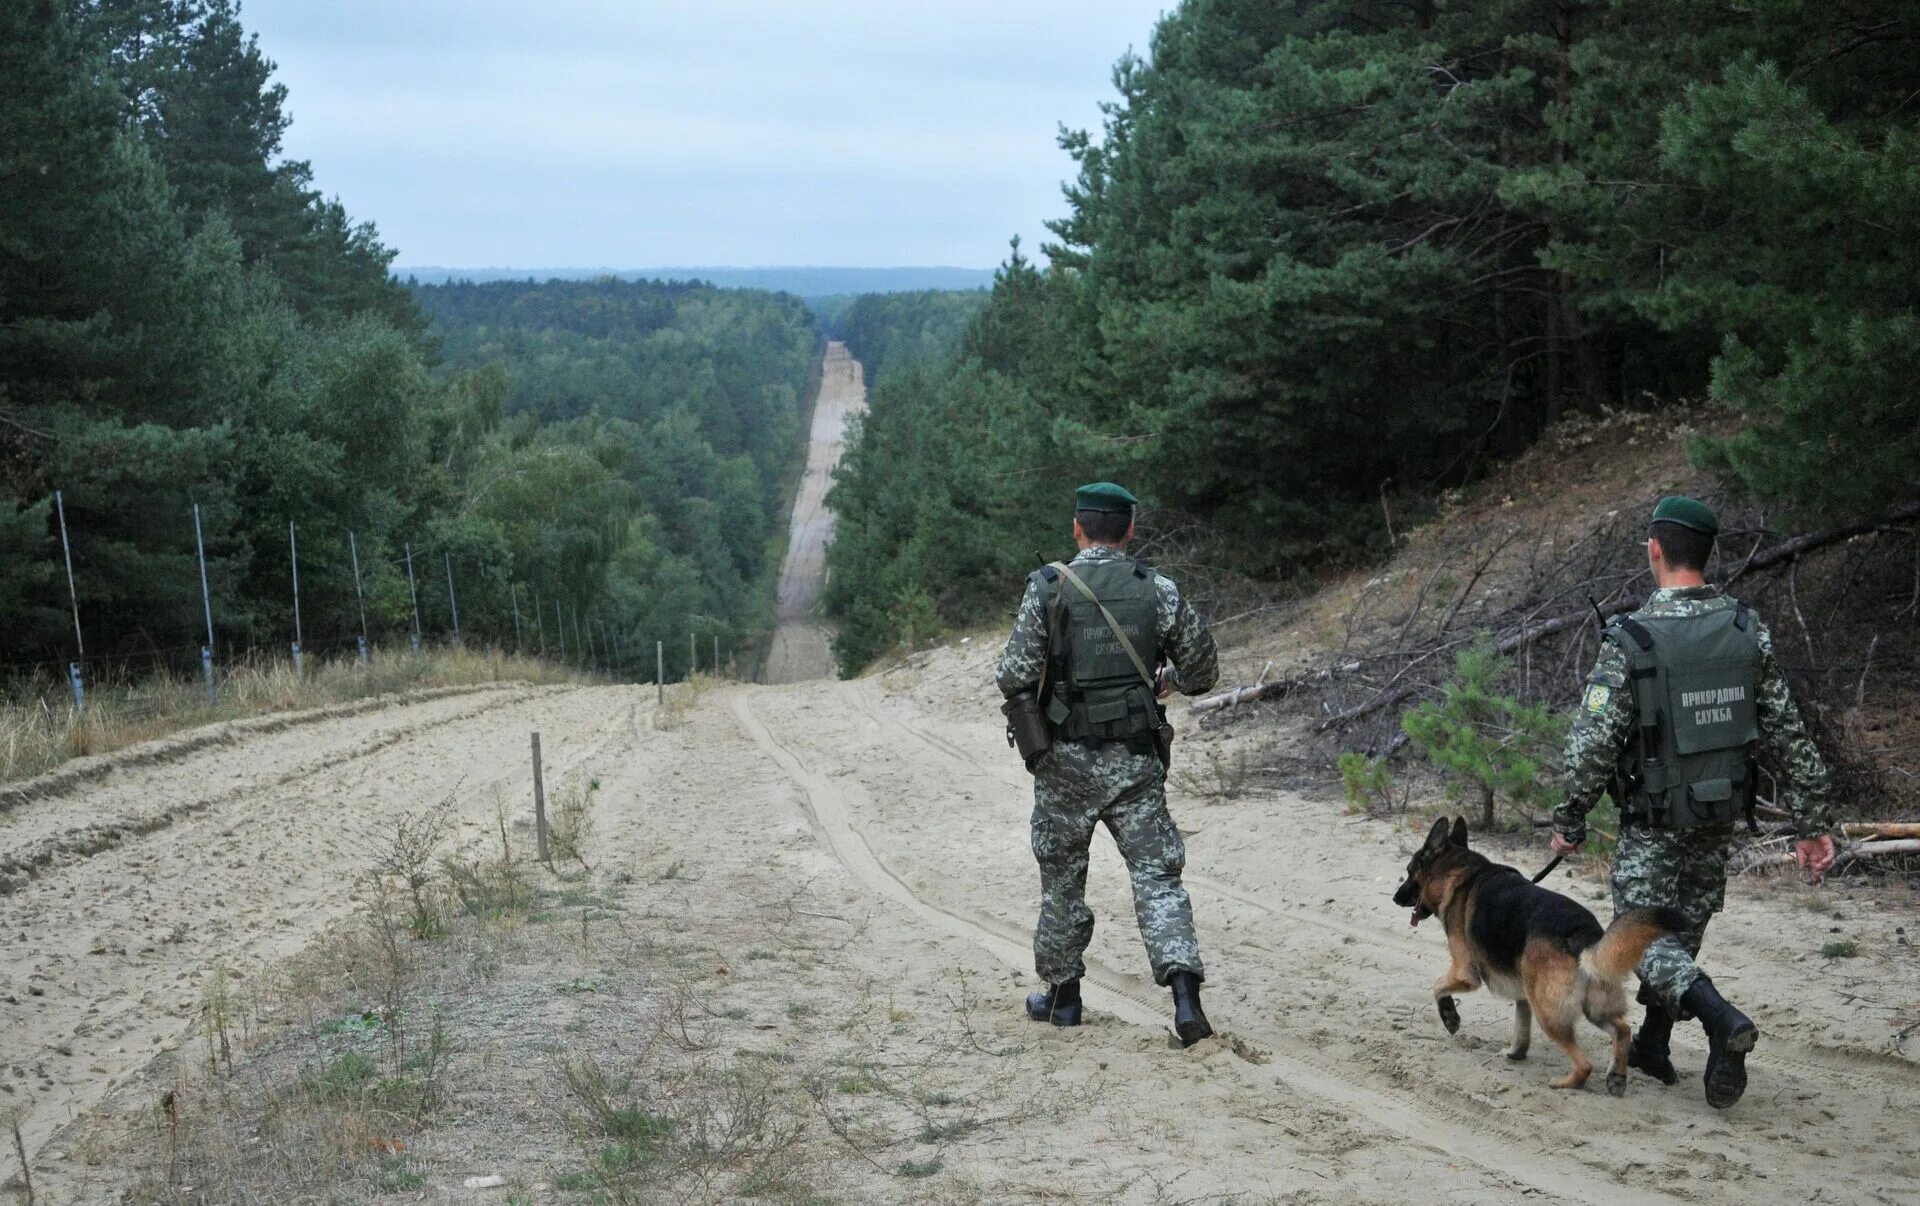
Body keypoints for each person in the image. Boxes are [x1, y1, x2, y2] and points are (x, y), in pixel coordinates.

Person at [1551, 495, 1837, 1108]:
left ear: (1654, 549)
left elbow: (1592, 743)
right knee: (1683, 926)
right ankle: (1654, 1044)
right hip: (1719, 811)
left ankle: (1719, 1019)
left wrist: (1570, 817)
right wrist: (1812, 822)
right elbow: (1788, 730)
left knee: (1643, 936)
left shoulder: (1632, 637)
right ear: (1707, 554)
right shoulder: (1744, 629)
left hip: (1653, 818)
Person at [995, 481, 1221, 1045]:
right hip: (1136, 763)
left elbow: (1013, 674)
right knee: (1158, 878)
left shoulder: (1046, 587)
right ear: (1130, 530)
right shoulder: (1158, 590)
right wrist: (1163, 678)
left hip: (1064, 765)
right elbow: (1203, 672)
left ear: (1077, 528)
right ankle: (1186, 999)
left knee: (1062, 881)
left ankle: (1063, 998)